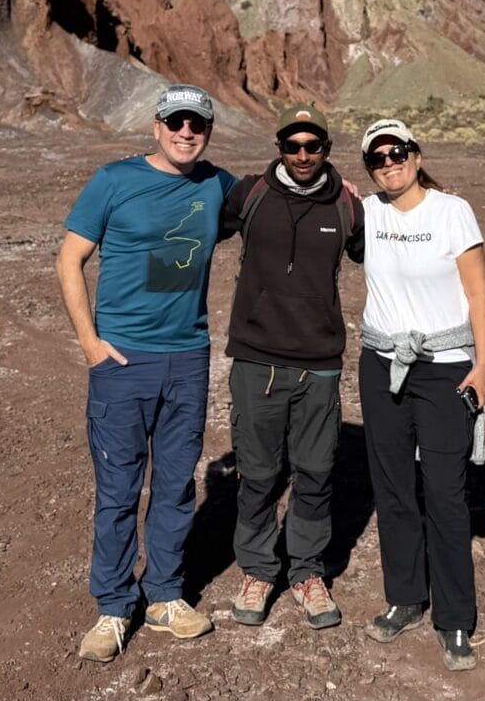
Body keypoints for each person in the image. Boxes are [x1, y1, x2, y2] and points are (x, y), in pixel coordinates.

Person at [57, 84, 236, 664]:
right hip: (122, 362)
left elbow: (280, 199)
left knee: (177, 485)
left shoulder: (218, 185)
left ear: (208, 132)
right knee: (118, 491)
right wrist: (90, 344)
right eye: (176, 122)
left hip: (187, 359)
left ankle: (163, 596)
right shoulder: (113, 181)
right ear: (156, 126)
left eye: (197, 124)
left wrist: (340, 188)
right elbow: (69, 259)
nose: (186, 132)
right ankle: (114, 606)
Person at [216, 103, 364, 630]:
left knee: (316, 473)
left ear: (326, 149)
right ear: (279, 147)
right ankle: (258, 569)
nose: (303, 155)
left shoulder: (347, 206)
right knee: (258, 474)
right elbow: (189, 225)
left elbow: (388, 255)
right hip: (256, 360)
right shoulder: (249, 194)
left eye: (313, 146)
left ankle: (306, 571)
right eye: (293, 146)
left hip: (319, 365)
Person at [353, 118, 485, 672]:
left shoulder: (452, 211)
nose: (389, 163)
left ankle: (455, 618)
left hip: (445, 367)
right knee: (392, 487)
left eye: (398, 152)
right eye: (377, 157)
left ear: (416, 154)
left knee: (445, 493)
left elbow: (478, 294)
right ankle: (405, 597)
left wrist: (484, 366)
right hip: (381, 363)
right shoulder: (366, 212)